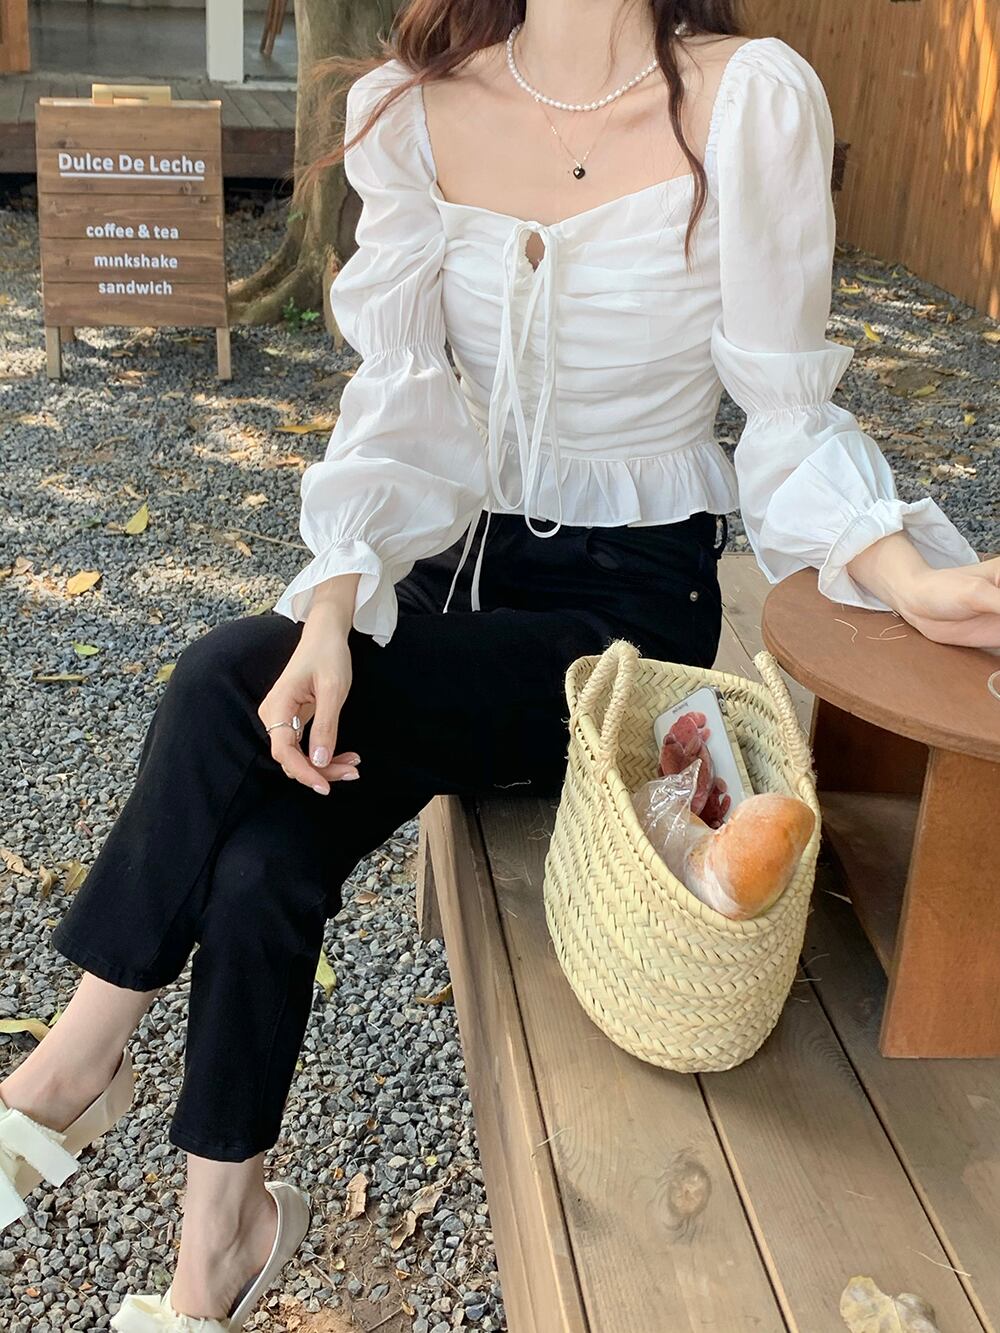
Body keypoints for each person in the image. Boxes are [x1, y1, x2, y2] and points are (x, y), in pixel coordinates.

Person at [3, 4, 997, 1329]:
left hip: (617, 620)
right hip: (445, 590)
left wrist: (905, 570)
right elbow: (398, 403)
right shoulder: (416, 104)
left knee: (214, 683)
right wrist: (332, 609)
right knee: (256, 850)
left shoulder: (749, 99)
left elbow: (787, 410)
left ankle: (68, 1070)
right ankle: (216, 1249)